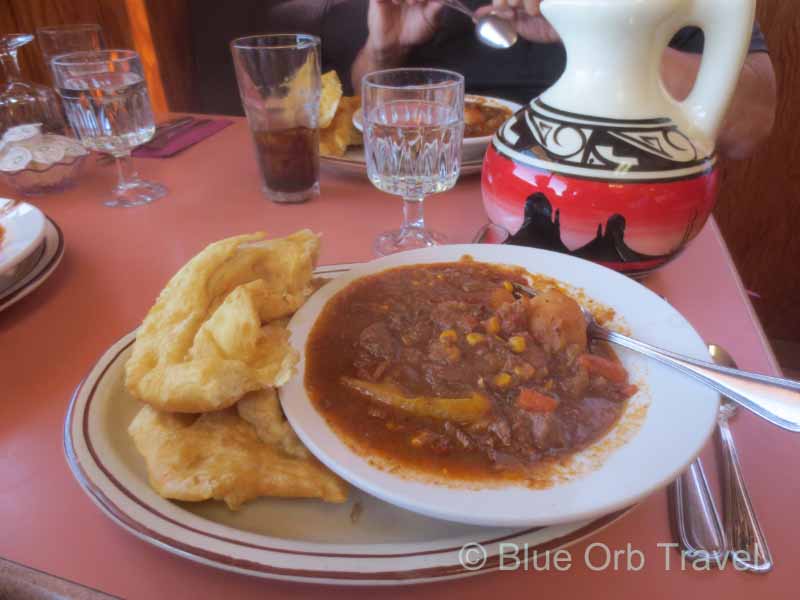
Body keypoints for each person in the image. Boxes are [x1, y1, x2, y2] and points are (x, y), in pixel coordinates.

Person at [316, 0, 774, 160]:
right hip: (427, 200)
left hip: (610, 202)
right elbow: (363, 100)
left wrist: (598, 26)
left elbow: (750, 126)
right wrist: (386, 48)